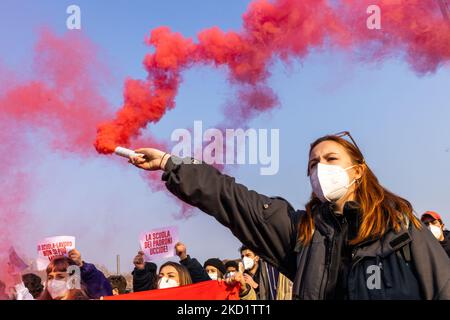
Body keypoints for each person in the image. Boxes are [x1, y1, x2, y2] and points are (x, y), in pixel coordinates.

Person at [130, 132, 450, 299]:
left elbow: (443, 288)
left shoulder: (401, 227)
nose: (320, 168)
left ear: (358, 170)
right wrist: (171, 164)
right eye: (313, 163)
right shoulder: (303, 233)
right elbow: (231, 198)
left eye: (330, 158)